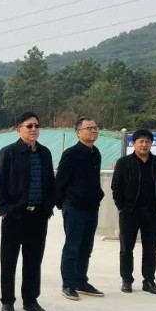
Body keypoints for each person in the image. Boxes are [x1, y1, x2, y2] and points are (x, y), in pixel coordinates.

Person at [0, 112, 55, 311]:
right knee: (9, 261)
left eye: (37, 125)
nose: (34, 129)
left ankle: (30, 300)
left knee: (34, 261)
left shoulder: (45, 153)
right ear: (18, 129)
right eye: (29, 126)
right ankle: (7, 301)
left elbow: (50, 182)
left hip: (38, 216)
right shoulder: (8, 153)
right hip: (15, 216)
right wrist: (4, 211)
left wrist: (48, 208)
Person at [111, 129, 156, 295]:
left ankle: (149, 281)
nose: (144, 145)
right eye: (141, 142)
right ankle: (127, 280)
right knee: (126, 248)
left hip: (153, 213)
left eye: (147, 142)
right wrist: (122, 207)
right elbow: (116, 187)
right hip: (130, 212)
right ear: (134, 143)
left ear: (151, 144)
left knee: (151, 249)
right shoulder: (124, 162)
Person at [55, 116, 105, 301]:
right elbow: (60, 181)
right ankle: (68, 284)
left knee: (86, 247)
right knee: (73, 247)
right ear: (78, 133)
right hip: (74, 206)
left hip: (91, 207)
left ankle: (81, 281)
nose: (94, 131)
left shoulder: (96, 153)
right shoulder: (71, 153)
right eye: (89, 128)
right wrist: (61, 204)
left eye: (95, 127)